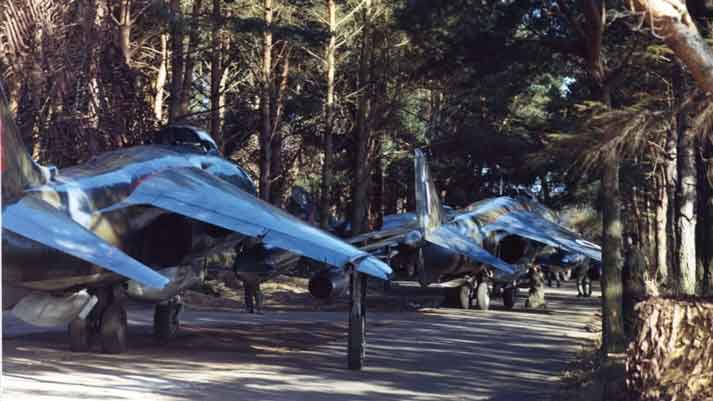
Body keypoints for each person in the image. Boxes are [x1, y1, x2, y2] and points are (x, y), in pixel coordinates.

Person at [622, 233, 649, 338]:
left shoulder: (632, 253)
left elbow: (629, 268)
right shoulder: (640, 253)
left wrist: (621, 268)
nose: (624, 242)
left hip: (632, 287)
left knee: (629, 316)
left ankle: (631, 339)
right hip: (639, 287)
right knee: (636, 314)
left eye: (626, 240)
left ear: (631, 241)